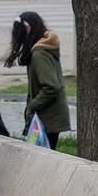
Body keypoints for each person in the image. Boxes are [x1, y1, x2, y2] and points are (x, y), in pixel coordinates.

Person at [7, 11, 70, 148]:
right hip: (48, 116)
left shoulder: (39, 54)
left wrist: (32, 106)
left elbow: (51, 87)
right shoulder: (41, 49)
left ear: (28, 28)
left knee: (44, 155)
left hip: (47, 117)